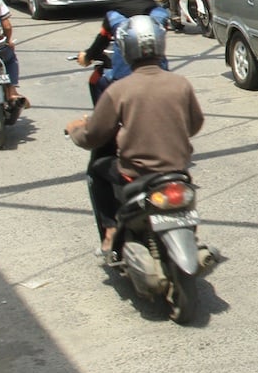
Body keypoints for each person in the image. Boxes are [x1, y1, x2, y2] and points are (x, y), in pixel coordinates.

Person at [65, 15, 203, 256]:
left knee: (97, 169)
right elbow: (195, 124)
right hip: (178, 171)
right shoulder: (180, 84)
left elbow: (94, 135)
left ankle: (109, 233)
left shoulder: (118, 89)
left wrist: (75, 130)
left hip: (137, 174)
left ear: (125, 49)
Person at [75, 0, 170, 104]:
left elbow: (100, 42)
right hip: (161, 74)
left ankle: (103, 124)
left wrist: (88, 56)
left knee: (96, 80)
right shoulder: (160, 14)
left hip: (123, 79)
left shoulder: (114, 15)